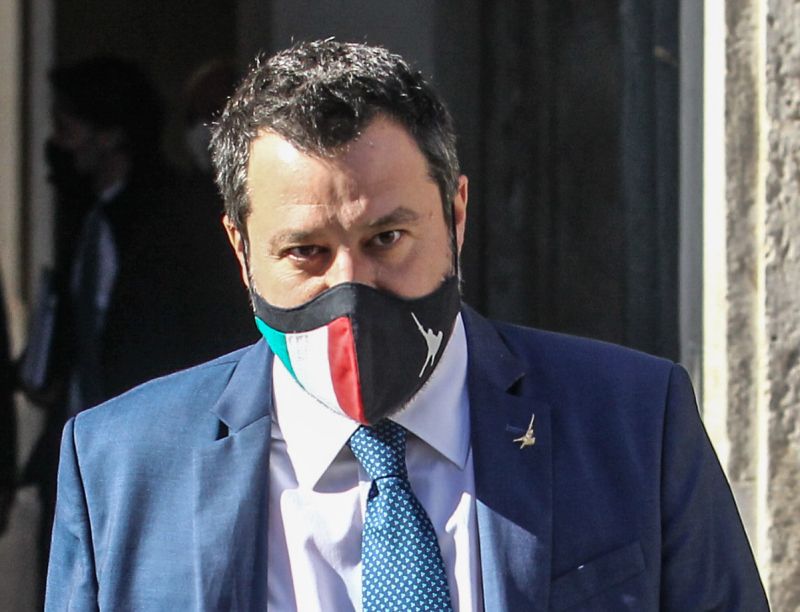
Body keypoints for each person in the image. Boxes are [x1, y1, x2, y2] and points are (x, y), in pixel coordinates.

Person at [45, 40, 768, 610]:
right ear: (242, 250)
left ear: (456, 215)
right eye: (306, 252)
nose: (350, 287)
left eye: (387, 238)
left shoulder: (632, 423)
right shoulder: (123, 467)